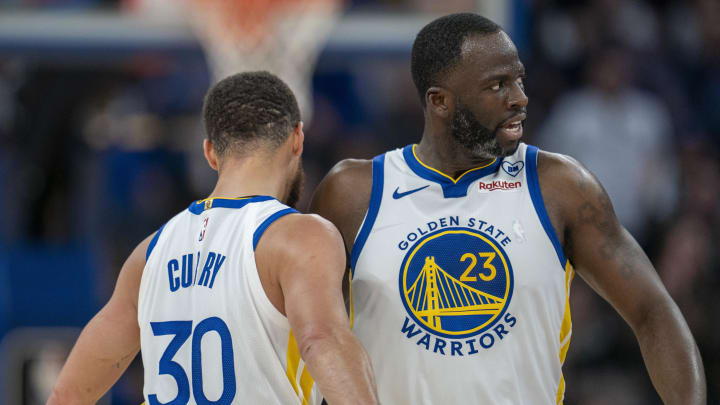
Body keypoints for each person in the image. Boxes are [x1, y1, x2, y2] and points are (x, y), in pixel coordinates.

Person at [310, 13, 705, 404]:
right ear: (440, 101)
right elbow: (312, 337)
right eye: (498, 85)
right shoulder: (353, 194)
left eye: (519, 79)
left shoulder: (560, 186)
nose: (520, 98)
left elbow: (653, 310)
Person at [48, 71, 379, 405]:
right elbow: (321, 341)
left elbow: (68, 394)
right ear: (297, 139)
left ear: (210, 153)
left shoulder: (148, 254)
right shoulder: (298, 237)